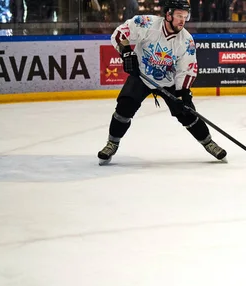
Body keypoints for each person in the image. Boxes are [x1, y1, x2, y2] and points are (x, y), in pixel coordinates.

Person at [97, 0, 227, 165]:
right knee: (124, 107)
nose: (182, 20)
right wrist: (126, 52)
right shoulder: (146, 24)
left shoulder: (186, 41)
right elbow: (119, 34)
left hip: (169, 81)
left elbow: (186, 69)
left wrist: (184, 94)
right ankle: (112, 143)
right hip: (142, 76)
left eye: (185, 16)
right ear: (168, 15)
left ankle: (208, 143)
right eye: (179, 16)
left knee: (187, 113)